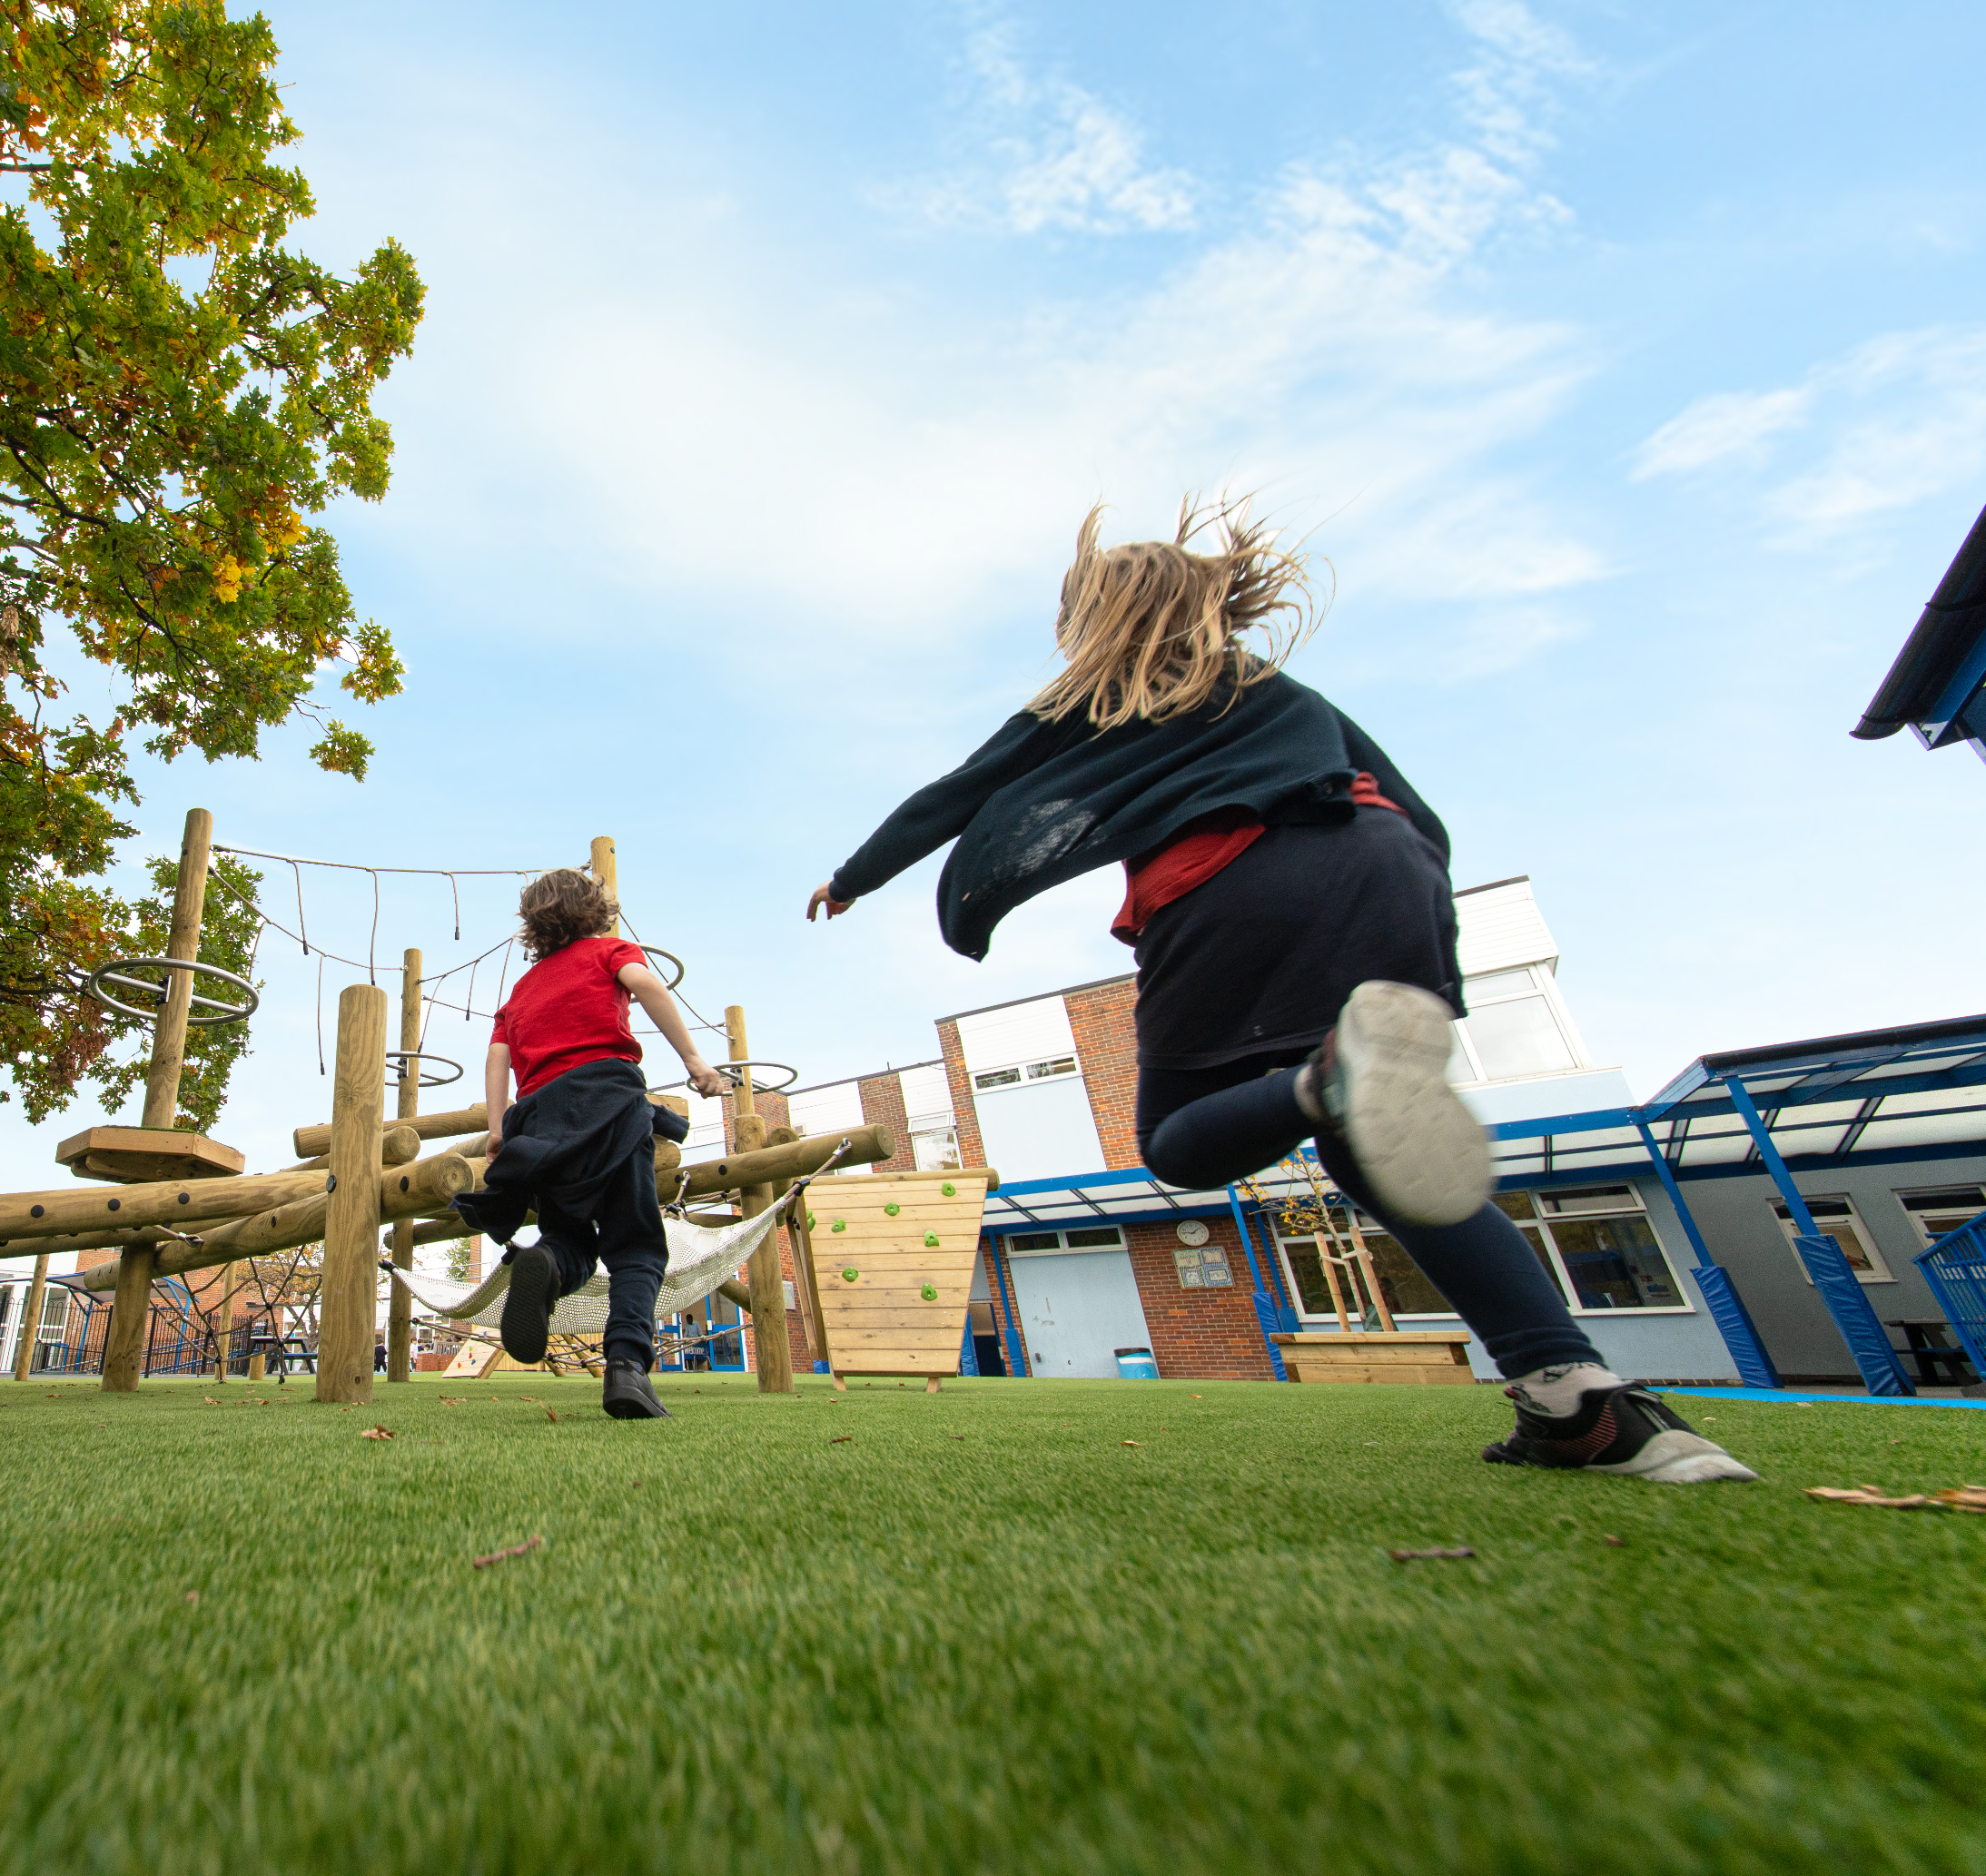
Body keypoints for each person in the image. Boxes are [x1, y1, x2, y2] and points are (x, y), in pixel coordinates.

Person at [807, 499, 1754, 1485]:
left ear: (1094, 617)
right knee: (1379, 1152)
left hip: (1233, 886)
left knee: (1179, 1143)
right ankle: (1580, 1401)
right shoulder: (1280, 691)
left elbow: (953, 796)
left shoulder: (1086, 700)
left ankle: (1323, 1083)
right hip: (1390, 872)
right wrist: (1422, 934)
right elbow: (1414, 809)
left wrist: (854, 877)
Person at [458, 870, 729, 1421]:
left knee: (569, 1236)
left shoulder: (521, 990)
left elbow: (497, 1056)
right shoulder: (609, 951)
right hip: (607, 1101)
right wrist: (695, 1062)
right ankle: (627, 1367)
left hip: (541, 1121)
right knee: (635, 1246)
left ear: (532, 926)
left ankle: (547, 1264)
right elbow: (648, 985)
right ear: (596, 912)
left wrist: (497, 1130)